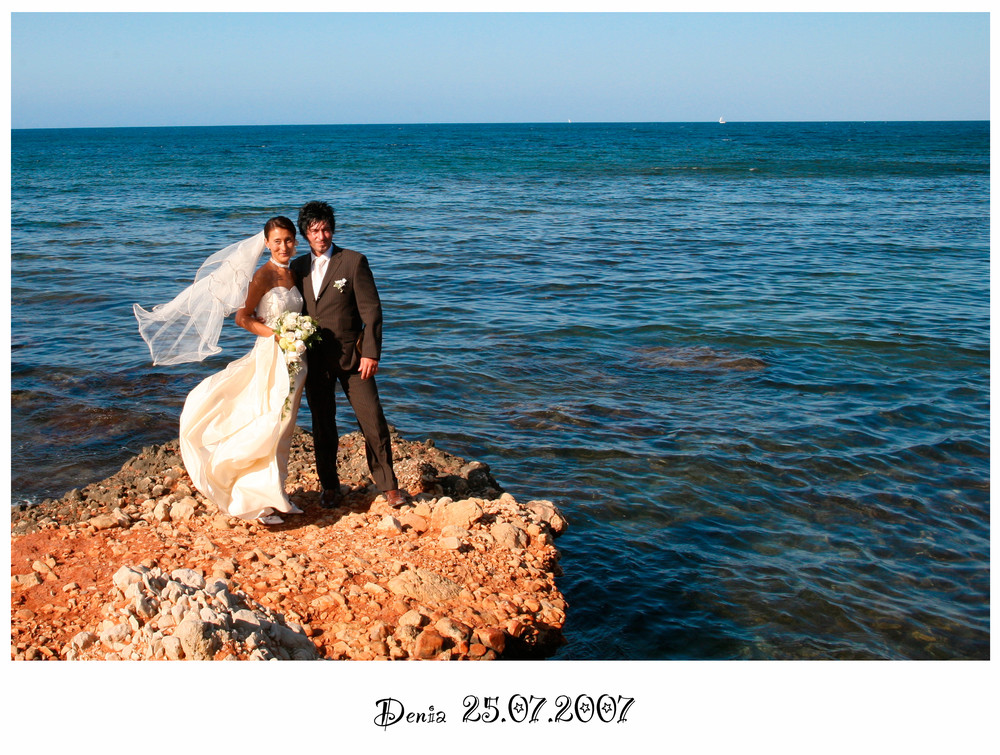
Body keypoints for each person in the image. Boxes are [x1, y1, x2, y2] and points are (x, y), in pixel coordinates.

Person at [134, 216, 308, 525]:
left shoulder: (294, 274)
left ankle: (276, 493)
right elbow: (243, 317)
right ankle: (253, 500)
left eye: (289, 240)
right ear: (266, 243)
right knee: (268, 423)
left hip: (296, 360)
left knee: (285, 428)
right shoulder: (262, 276)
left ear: (296, 242)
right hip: (271, 356)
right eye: (277, 241)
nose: (284, 246)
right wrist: (275, 335)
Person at [291, 201, 407, 509]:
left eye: (326, 229)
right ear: (305, 233)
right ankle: (330, 486)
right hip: (315, 361)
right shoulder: (298, 268)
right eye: (315, 230)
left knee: (373, 419)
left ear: (333, 229)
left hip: (355, 359)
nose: (322, 235)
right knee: (322, 424)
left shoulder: (353, 262)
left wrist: (371, 352)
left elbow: (372, 310)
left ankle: (388, 485)